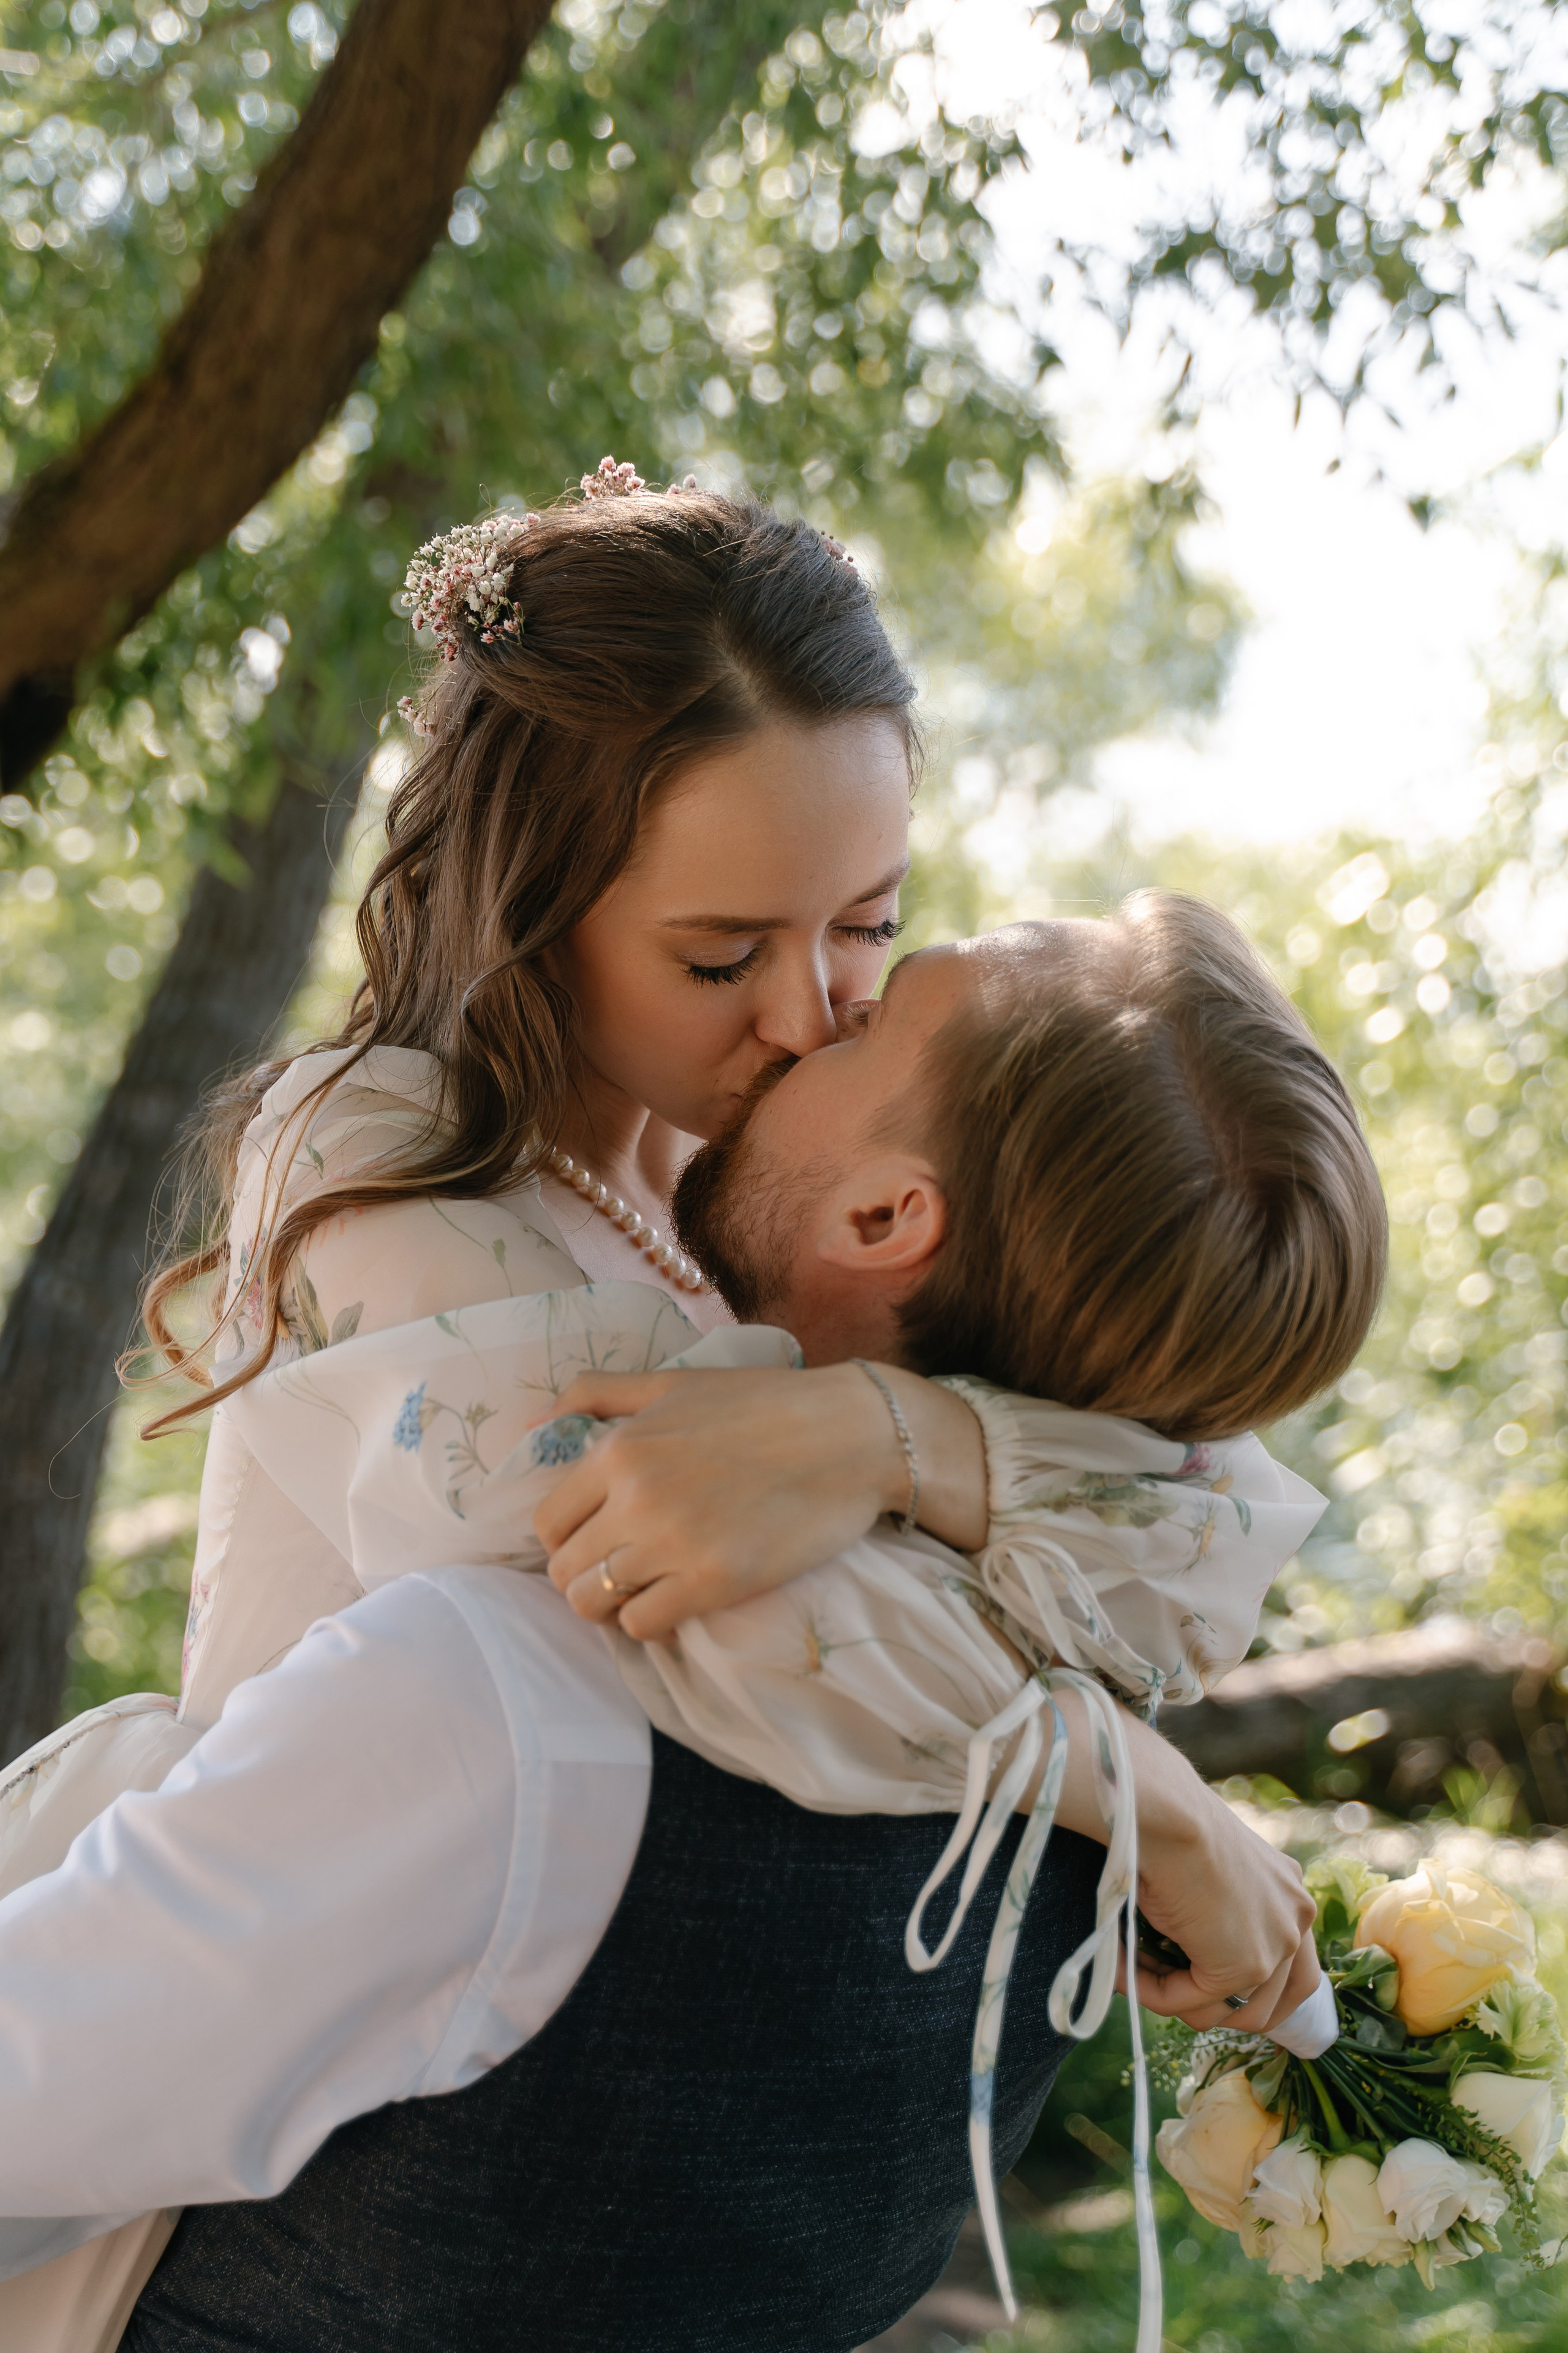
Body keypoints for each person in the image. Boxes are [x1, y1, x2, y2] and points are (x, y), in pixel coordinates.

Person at [0, 471, 1365, 2349]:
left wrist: (898, 1441)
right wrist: (1134, 1786)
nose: (810, 1016)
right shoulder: (398, 1172)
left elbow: (1195, 1515)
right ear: (539, 908)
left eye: (867, 929)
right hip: (288, 2052)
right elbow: (710, 1622)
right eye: (722, 956)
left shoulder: (763, 1176)